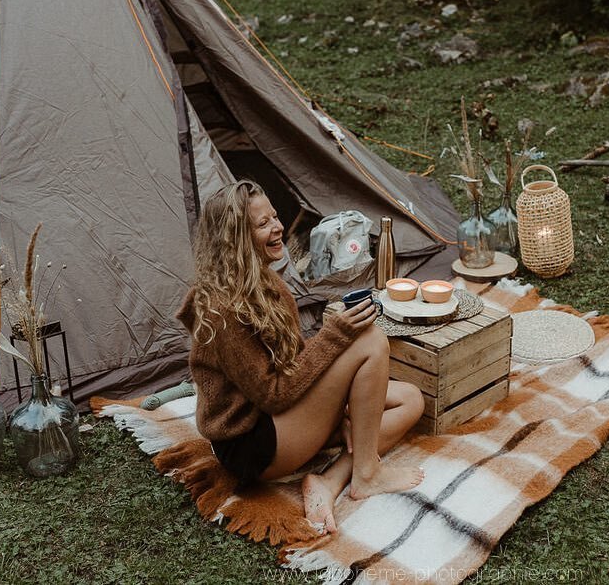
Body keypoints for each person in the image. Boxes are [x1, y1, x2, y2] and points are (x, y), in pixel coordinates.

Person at [177, 180, 425, 534]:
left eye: (274, 216)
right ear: (235, 238)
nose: (278, 227)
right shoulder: (222, 309)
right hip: (254, 442)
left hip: (283, 415)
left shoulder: (266, 282)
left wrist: (338, 402)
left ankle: (331, 480)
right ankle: (368, 473)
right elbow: (273, 394)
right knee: (368, 341)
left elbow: (295, 357)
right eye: (263, 224)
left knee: (410, 400)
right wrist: (335, 337)